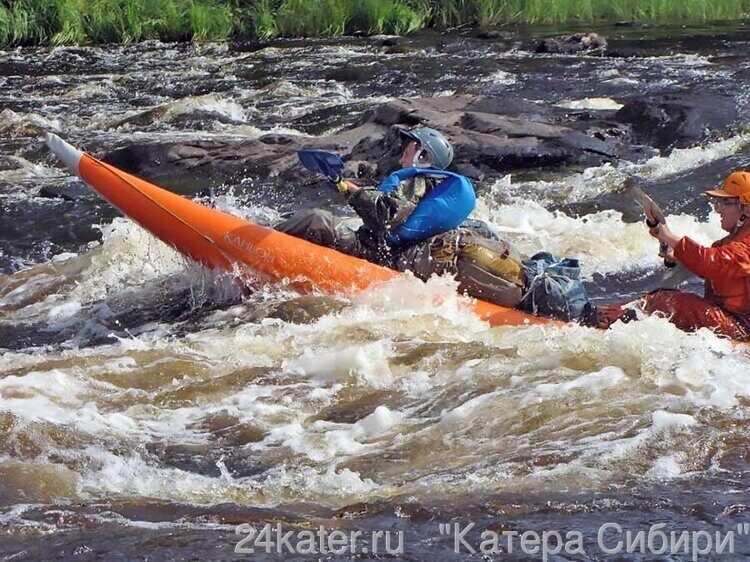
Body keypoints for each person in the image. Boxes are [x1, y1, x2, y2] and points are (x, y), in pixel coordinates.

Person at [278, 127, 527, 308]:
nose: (401, 158)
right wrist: (343, 184)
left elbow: (386, 215)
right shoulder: (437, 189)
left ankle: (251, 237)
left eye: (408, 150)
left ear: (424, 156)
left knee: (317, 220)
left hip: (380, 254)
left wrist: (344, 188)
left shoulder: (417, 182)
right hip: (401, 256)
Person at [593, 171, 750, 340]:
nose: (718, 210)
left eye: (725, 203)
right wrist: (678, 255)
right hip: (728, 320)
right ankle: (608, 315)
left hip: (741, 328)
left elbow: (713, 262)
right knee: (664, 298)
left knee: (673, 302)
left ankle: (609, 322)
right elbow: (714, 268)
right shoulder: (726, 243)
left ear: (745, 208)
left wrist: (668, 236)